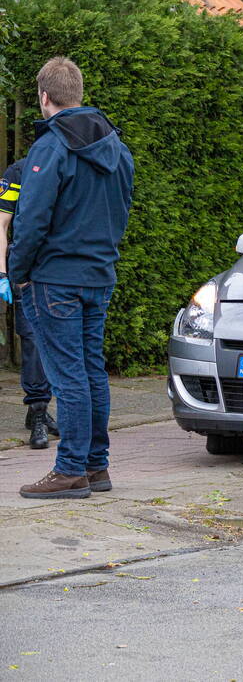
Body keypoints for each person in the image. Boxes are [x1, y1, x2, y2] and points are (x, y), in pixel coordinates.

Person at [12, 57, 134, 499]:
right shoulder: (117, 148)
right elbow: (120, 210)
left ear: (45, 97)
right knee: (91, 371)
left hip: (55, 278)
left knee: (67, 377)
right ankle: (96, 466)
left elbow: (31, 219)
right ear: (77, 92)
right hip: (99, 275)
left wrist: (18, 273)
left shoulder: (52, 146)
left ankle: (70, 471)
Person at [0, 157, 60, 449]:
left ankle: (39, 408)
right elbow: (1, 223)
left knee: (56, 340)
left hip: (63, 266)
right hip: (28, 268)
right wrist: (2, 271)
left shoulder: (71, 167)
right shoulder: (19, 173)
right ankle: (37, 410)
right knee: (34, 340)